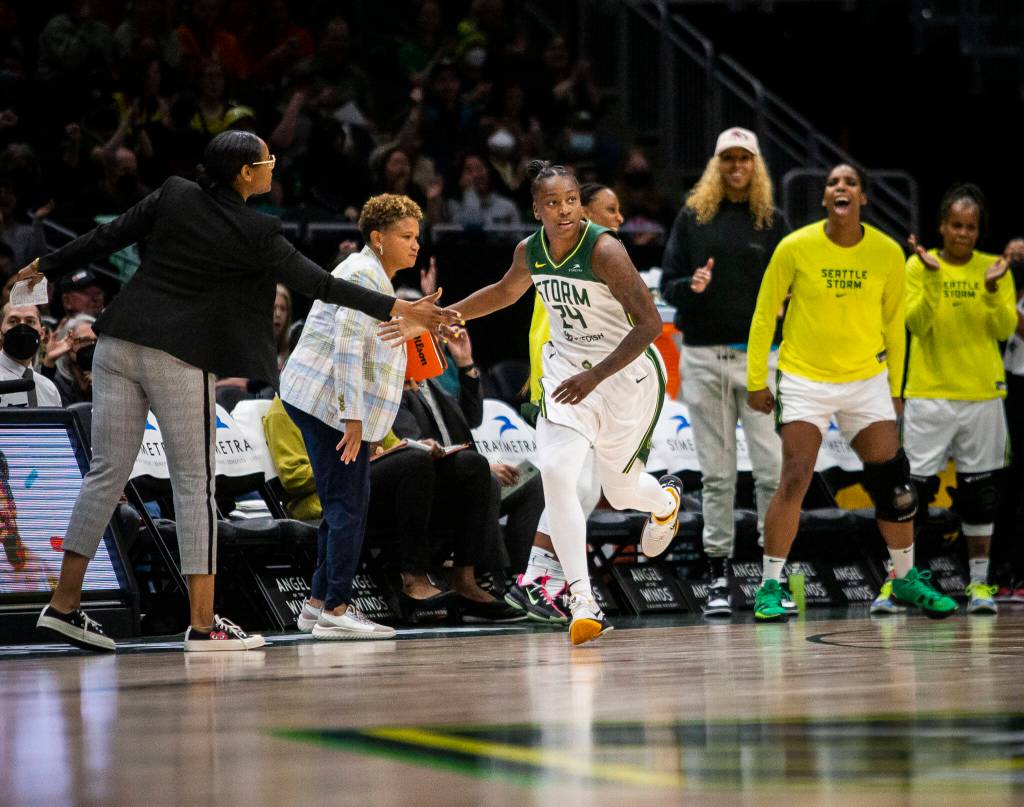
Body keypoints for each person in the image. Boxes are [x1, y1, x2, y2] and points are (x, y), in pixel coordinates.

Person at [17, 129, 455, 653]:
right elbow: (323, 285)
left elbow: (108, 236)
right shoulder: (257, 229)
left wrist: (44, 266)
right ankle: (204, 628)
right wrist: (402, 309)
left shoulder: (175, 192)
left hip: (117, 340)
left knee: (106, 473)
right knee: (195, 486)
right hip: (177, 355)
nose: (274, 164)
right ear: (246, 173)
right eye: (267, 160)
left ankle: (63, 605)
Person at [439, 161, 682, 645]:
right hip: (567, 374)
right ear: (536, 209)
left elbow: (650, 326)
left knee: (623, 488)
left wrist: (596, 375)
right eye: (553, 203)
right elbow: (504, 293)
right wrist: (444, 314)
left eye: (571, 199)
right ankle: (582, 601)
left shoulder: (606, 251)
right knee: (557, 475)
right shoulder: (531, 250)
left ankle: (664, 503)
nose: (564, 209)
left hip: (623, 376)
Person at [746, 163, 957, 622]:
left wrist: (897, 388)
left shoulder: (886, 253)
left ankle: (903, 578)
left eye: (850, 183)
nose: (840, 188)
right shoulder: (794, 247)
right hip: (804, 377)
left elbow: (895, 327)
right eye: (832, 183)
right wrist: (755, 379)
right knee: (796, 476)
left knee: (895, 486)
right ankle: (768, 585)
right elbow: (764, 316)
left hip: (866, 380)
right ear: (825, 198)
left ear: (862, 197)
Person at [280, 194, 424, 641]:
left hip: (324, 401)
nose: (415, 245)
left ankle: (318, 603)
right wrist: (353, 418)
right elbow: (345, 350)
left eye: (417, 236)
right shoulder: (362, 275)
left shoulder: (375, 278)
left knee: (343, 502)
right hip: (329, 405)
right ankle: (338, 609)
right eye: (406, 236)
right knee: (349, 504)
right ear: (378, 239)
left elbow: (370, 345)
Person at [658, 127, 788, 617]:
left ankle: (772, 577)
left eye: (744, 159)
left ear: (755, 166)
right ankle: (718, 577)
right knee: (717, 474)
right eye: (728, 159)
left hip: (761, 360)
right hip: (704, 358)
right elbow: (668, 284)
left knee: (772, 471)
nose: (736, 167)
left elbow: (791, 288)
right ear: (717, 165)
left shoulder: (772, 222)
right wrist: (690, 284)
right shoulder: (693, 218)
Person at [872, 184, 1015, 615]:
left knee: (981, 496)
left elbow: (1004, 329)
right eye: (956, 225)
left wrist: (991, 291)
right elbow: (915, 324)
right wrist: (932, 279)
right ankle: (898, 582)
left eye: (971, 227)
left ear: (978, 230)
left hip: (981, 394)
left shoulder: (996, 268)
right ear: (941, 226)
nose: (963, 233)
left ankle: (979, 585)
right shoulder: (920, 267)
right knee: (908, 494)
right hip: (929, 395)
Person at [505, 181, 622, 624]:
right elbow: (545, 330)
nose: (618, 219)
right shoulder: (563, 256)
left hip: (591, 386)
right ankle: (537, 580)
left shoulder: (596, 257)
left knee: (586, 489)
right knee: (572, 485)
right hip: (565, 387)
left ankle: (544, 582)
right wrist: (540, 384)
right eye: (610, 210)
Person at [0, 303, 61, 407]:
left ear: (42, 333)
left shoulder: (50, 389)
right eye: (13, 321)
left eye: (30, 321)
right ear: (0, 332)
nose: (22, 327)